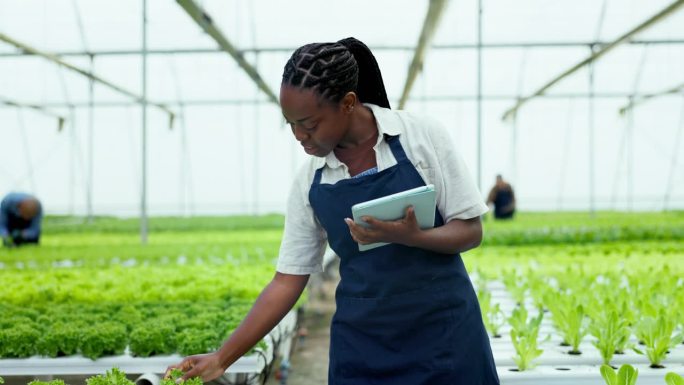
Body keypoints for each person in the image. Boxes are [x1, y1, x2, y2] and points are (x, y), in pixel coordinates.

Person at [167, 37, 499, 384]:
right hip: (364, 346)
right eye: (291, 124)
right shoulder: (312, 181)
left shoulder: (420, 137)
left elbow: (470, 230)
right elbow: (287, 280)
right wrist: (223, 358)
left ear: (348, 103)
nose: (299, 135)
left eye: (310, 124)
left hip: (444, 335)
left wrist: (412, 236)